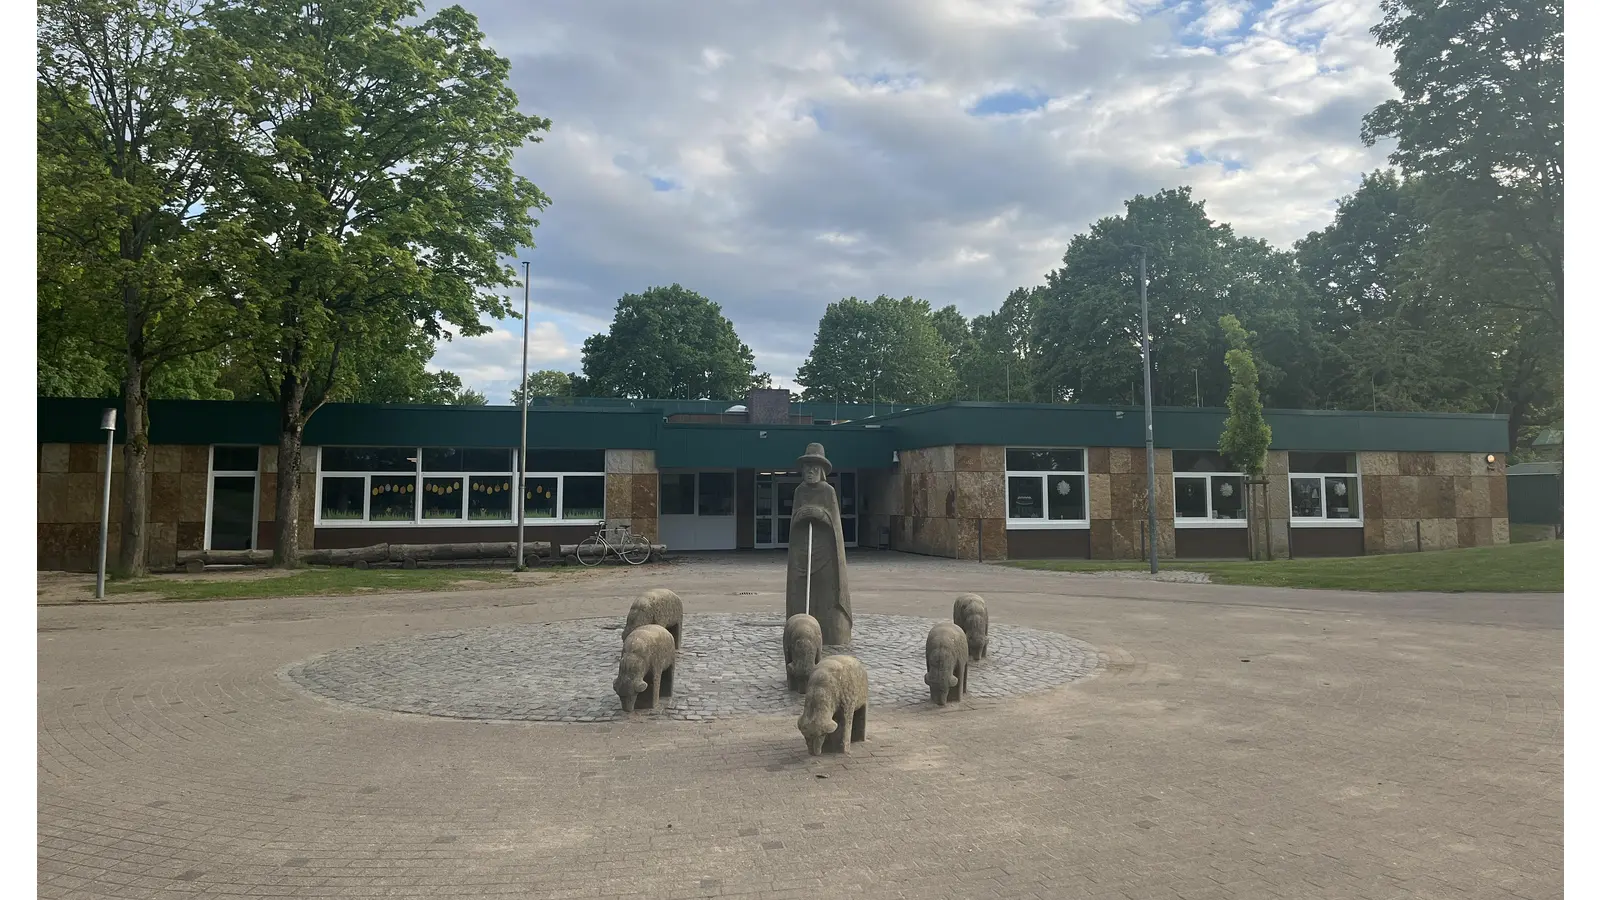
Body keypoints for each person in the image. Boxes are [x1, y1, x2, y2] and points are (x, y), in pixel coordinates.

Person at [785, 442, 853, 645]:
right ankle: (799, 630)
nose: (810, 472)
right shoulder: (799, 491)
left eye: (814, 468)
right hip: (803, 550)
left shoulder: (827, 491)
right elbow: (793, 522)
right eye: (807, 467)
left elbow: (835, 523)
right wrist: (800, 515)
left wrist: (821, 515)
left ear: (822, 470)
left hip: (825, 552)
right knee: (800, 590)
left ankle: (830, 632)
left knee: (825, 591)